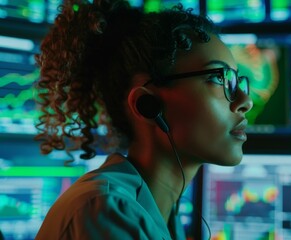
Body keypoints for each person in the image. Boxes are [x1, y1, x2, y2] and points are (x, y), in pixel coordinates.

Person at [34, 0, 253, 239]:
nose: (245, 101)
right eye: (220, 79)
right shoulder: (106, 210)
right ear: (147, 105)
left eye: (237, 82)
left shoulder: (162, 216)